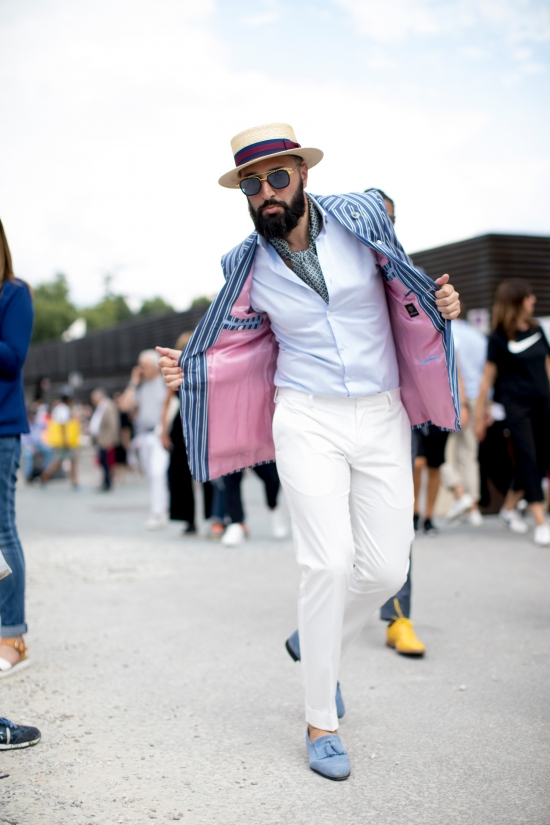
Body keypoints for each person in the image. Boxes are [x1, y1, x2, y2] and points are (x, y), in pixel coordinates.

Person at [157, 123, 460, 779]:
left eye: (276, 177)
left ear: (301, 173)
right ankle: (322, 719)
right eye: (250, 183)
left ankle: (313, 637)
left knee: (384, 570)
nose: (265, 192)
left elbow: (407, 283)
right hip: (305, 417)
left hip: (382, 414)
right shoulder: (244, 263)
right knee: (327, 564)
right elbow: (233, 345)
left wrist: (442, 304)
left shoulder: (360, 217)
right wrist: (191, 370)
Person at [364, 189, 425, 656]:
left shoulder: (411, 277)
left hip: (395, 416)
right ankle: (334, 614)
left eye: (387, 219)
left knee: (395, 520)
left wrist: (444, 304)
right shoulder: (329, 271)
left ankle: (398, 616)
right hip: (333, 416)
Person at [474, 279, 550, 545]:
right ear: (517, 300)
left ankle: (508, 510)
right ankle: (540, 521)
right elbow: (487, 379)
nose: (533, 301)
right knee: (528, 457)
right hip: (516, 407)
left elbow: (548, 366)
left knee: (540, 460)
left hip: (543, 402)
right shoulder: (498, 338)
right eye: (529, 296)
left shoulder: (537, 329)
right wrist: (479, 415)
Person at [0, 219, 33, 679]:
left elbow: (11, 360)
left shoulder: (14, 293)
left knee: (2, 528)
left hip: (2, 427)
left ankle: (12, 635)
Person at [441, 313, 487, 525]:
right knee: (469, 455)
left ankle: (462, 496)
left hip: (452, 397)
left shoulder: (445, 331)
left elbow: (451, 369)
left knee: (439, 454)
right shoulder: (478, 337)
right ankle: (472, 508)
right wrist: (485, 407)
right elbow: (485, 374)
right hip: (476, 397)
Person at [119, 350, 169, 530]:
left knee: (158, 473)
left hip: (159, 435)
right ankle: (161, 510)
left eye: (144, 366)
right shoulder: (140, 386)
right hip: (143, 437)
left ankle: (158, 512)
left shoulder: (164, 383)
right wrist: (133, 382)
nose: (141, 369)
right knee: (151, 476)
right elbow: (124, 406)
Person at [41, 389, 80, 488]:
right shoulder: (64, 409)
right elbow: (63, 426)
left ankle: (44, 478)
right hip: (64, 441)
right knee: (62, 461)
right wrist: (66, 441)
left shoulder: (60, 408)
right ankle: (43, 477)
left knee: (62, 461)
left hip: (62, 441)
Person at [89, 389, 120, 491]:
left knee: (107, 462)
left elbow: (112, 425)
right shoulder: (102, 407)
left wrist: (110, 440)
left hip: (106, 440)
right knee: (103, 462)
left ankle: (107, 483)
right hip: (101, 439)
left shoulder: (108, 406)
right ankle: (105, 482)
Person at [21, 405, 53, 482]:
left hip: (39, 444)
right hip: (29, 445)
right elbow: (24, 441)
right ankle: (28, 476)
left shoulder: (38, 422)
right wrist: (33, 449)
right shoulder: (26, 425)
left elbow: (49, 426)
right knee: (28, 455)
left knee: (49, 451)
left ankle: (45, 472)